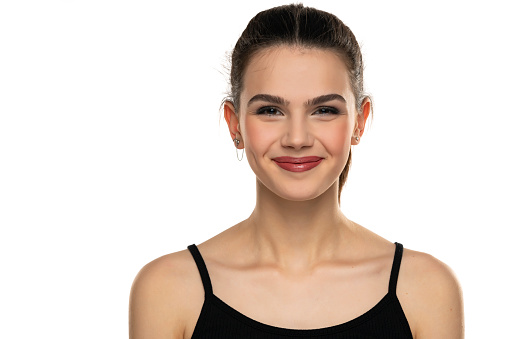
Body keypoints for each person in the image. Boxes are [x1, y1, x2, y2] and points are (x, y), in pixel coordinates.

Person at [129, 4, 464, 338]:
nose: (297, 138)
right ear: (235, 124)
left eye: (324, 110)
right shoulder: (169, 289)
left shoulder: (424, 290)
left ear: (359, 122)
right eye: (271, 110)